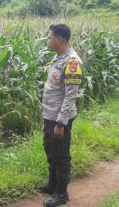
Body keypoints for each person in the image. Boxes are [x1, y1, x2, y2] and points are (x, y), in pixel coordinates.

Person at [37, 24, 83, 207]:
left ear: (59, 40)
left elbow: (70, 96)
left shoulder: (72, 62)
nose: (47, 41)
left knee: (61, 154)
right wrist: (46, 114)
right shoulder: (58, 58)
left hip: (60, 118)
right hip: (50, 115)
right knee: (49, 149)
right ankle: (53, 184)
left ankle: (62, 194)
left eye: (49, 38)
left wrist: (61, 123)